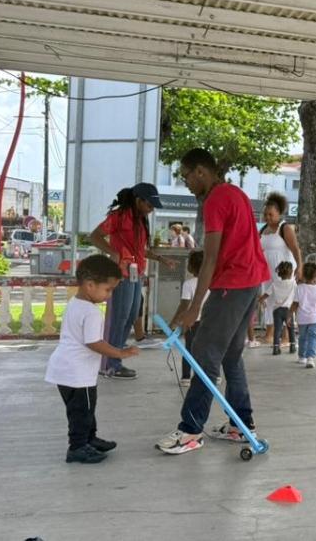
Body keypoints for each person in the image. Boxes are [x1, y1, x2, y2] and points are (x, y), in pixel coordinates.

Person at [159, 148, 270, 455]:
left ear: (201, 171)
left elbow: (209, 258)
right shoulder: (237, 194)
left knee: (205, 356)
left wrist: (193, 307)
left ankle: (190, 430)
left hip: (231, 285)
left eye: (186, 177)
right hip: (250, 281)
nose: (186, 184)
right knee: (231, 357)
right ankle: (241, 425)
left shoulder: (214, 201)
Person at [44, 254, 141, 464]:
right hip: (78, 374)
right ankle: (78, 447)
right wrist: (121, 353)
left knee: (84, 409)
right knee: (82, 412)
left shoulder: (75, 303)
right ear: (90, 285)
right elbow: (94, 343)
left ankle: (90, 439)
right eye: (108, 289)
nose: (110, 295)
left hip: (65, 369)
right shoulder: (91, 312)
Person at [89, 183, 175, 380]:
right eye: (149, 205)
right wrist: (113, 253)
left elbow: (140, 250)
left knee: (131, 316)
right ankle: (110, 365)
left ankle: (116, 358)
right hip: (122, 274)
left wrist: (160, 259)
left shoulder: (141, 220)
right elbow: (95, 236)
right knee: (119, 318)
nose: (151, 209)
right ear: (138, 200)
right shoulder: (119, 216)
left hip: (137, 274)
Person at [258, 192, 304, 343]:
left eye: (270, 214)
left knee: (285, 302)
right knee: (269, 301)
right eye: (265, 214)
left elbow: (296, 249)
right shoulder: (262, 230)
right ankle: (269, 333)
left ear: (278, 213)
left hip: (284, 273)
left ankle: (286, 335)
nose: (267, 217)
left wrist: (299, 267)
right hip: (267, 273)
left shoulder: (285, 229)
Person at [171, 251, 206, 384]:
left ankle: (186, 377)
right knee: (208, 348)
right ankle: (211, 375)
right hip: (209, 321)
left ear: (190, 267)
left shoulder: (189, 284)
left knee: (189, 349)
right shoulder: (212, 282)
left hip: (193, 322)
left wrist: (175, 321)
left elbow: (184, 304)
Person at [289, 262, 316, 368]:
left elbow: (295, 304)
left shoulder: (299, 288)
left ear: (303, 275)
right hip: (314, 318)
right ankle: (310, 358)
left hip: (302, 319)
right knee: (313, 338)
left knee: (303, 337)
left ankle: (302, 357)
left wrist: (289, 316)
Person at [261, 261, 296, 356]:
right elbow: (298, 295)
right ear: (291, 272)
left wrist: (261, 300)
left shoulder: (275, 283)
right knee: (291, 328)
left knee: (277, 329)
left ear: (279, 273)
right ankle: (292, 346)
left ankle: (276, 348)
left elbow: (266, 294)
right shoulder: (293, 283)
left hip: (277, 310)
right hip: (288, 310)